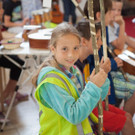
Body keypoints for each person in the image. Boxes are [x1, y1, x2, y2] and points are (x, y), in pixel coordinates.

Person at [32, 22, 110, 135]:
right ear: (53, 49)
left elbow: (91, 102)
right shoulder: (51, 81)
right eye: (64, 49)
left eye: (75, 48)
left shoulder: (73, 71)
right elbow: (74, 115)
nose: (71, 55)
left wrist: (101, 80)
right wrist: (93, 86)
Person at [75, 20, 135, 135]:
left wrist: (103, 74)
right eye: (97, 38)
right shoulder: (76, 67)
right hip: (88, 109)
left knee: (127, 116)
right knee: (126, 121)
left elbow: (98, 93)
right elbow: (84, 97)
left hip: (94, 103)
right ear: (83, 41)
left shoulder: (85, 61)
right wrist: (103, 72)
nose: (101, 43)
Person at [84, 0, 135, 117]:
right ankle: (124, 122)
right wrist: (113, 63)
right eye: (110, 12)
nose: (113, 15)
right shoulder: (91, 36)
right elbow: (94, 67)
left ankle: (124, 120)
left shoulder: (104, 28)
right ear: (98, 16)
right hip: (104, 81)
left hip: (110, 75)